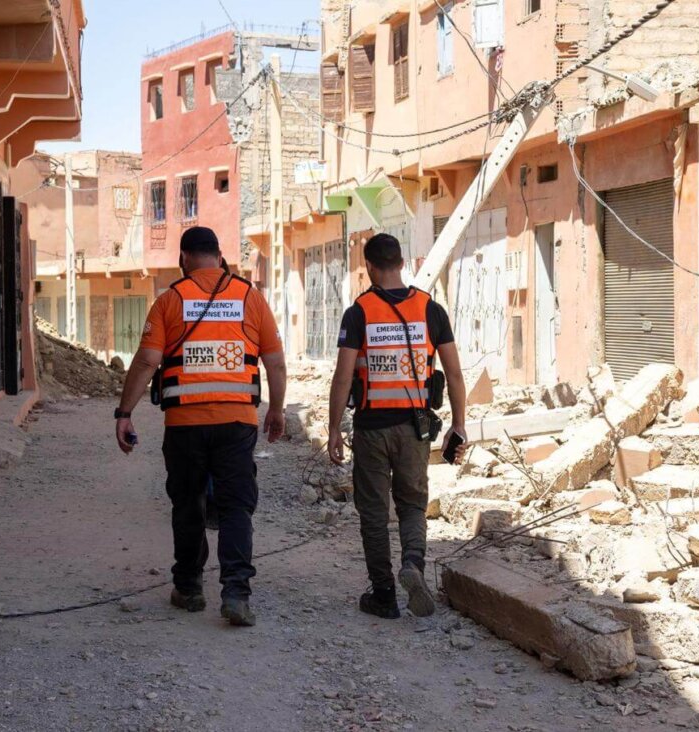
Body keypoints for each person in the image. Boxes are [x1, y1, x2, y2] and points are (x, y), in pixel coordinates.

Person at [115, 226, 287, 627]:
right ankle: (236, 594)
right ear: (219, 255)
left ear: (183, 258)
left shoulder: (170, 300)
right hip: (237, 422)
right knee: (235, 507)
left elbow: (146, 362)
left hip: (185, 424)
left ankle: (190, 588)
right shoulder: (250, 297)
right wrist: (276, 410)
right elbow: (275, 363)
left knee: (188, 502)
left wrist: (124, 413)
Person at [327, 233, 467, 619]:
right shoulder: (430, 309)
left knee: (373, 511)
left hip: (372, 427)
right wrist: (460, 424)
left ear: (369, 267)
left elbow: (342, 378)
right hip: (415, 427)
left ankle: (384, 594)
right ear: (402, 263)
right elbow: (454, 374)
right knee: (412, 504)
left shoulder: (359, 312)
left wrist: (334, 428)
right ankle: (413, 565)